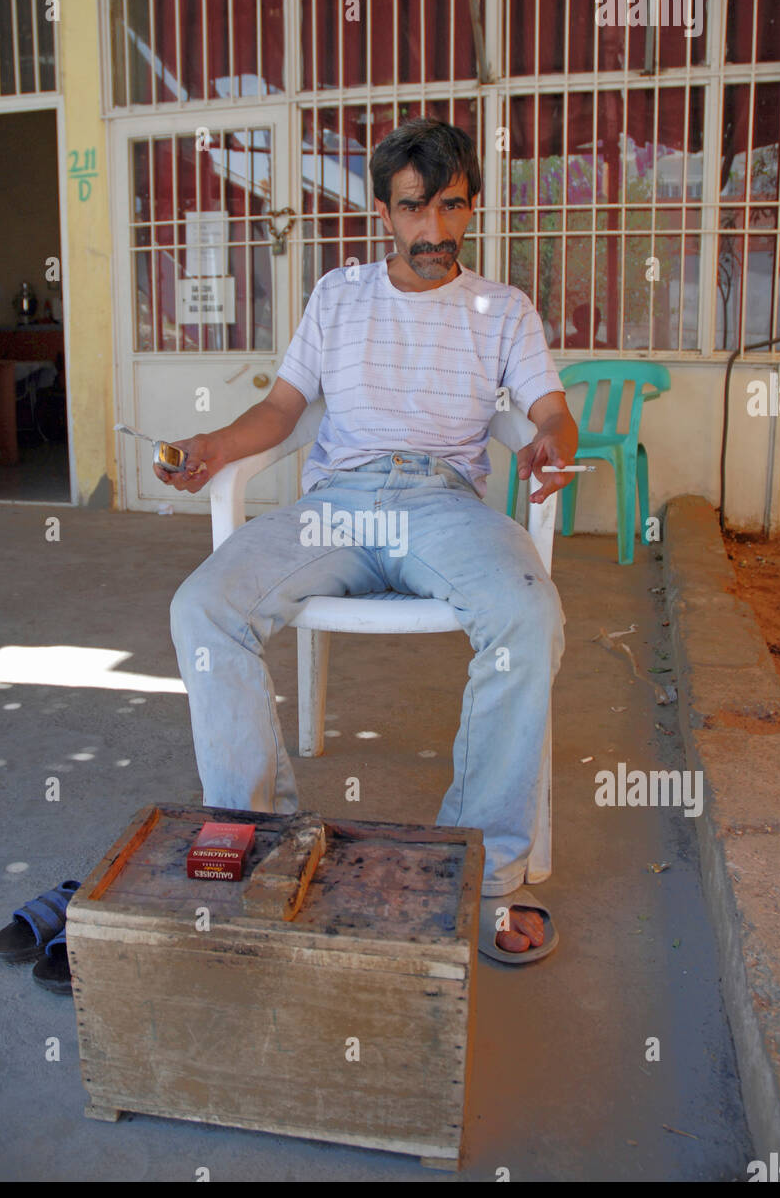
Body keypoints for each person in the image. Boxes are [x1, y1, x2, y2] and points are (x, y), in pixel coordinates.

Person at [157, 118, 578, 963]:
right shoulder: (338, 295)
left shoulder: (504, 309)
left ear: (472, 206)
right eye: (413, 208)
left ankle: (485, 868)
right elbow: (282, 412)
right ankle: (256, 834)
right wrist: (213, 449)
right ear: (384, 212)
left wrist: (550, 446)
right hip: (339, 504)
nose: (433, 230)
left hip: (441, 504)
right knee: (203, 606)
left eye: (450, 206)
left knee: (528, 618)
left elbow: (551, 413)